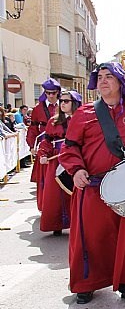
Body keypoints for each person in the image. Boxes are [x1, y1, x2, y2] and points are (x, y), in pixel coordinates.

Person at [59, 62, 125, 305]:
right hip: (93, 186)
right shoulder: (84, 113)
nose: (103, 81)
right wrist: (76, 170)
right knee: (92, 238)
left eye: (109, 77)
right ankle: (87, 283)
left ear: (120, 82)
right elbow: (69, 147)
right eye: (100, 77)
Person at [36, 90, 82, 236]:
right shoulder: (53, 121)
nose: (62, 103)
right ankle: (56, 224)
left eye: (66, 101)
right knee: (55, 194)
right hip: (56, 160)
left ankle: (77, 223)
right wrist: (43, 154)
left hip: (77, 159)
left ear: (74, 103)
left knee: (76, 191)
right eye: (61, 101)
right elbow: (47, 141)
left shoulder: (82, 121)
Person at [28, 78, 61, 211]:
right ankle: (45, 207)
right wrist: (32, 145)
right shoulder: (38, 108)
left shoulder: (64, 105)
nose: (51, 96)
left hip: (61, 146)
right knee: (44, 179)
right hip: (44, 145)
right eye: (48, 93)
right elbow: (33, 128)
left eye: (53, 93)